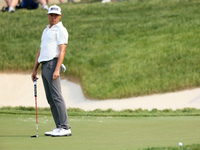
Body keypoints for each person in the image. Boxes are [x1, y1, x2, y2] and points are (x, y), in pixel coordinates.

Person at [31, 5, 71, 137]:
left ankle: (65, 127)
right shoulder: (46, 30)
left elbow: (62, 50)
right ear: (48, 15)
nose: (53, 17)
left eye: (56, 15)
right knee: (50, 98)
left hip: (53, 64)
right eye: (51, 15)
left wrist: (57, 68)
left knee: (56, 96)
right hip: (44, 65)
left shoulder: (61, 30)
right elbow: (41, 50)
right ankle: (59, 126)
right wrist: (34, 69)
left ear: (60, 16)